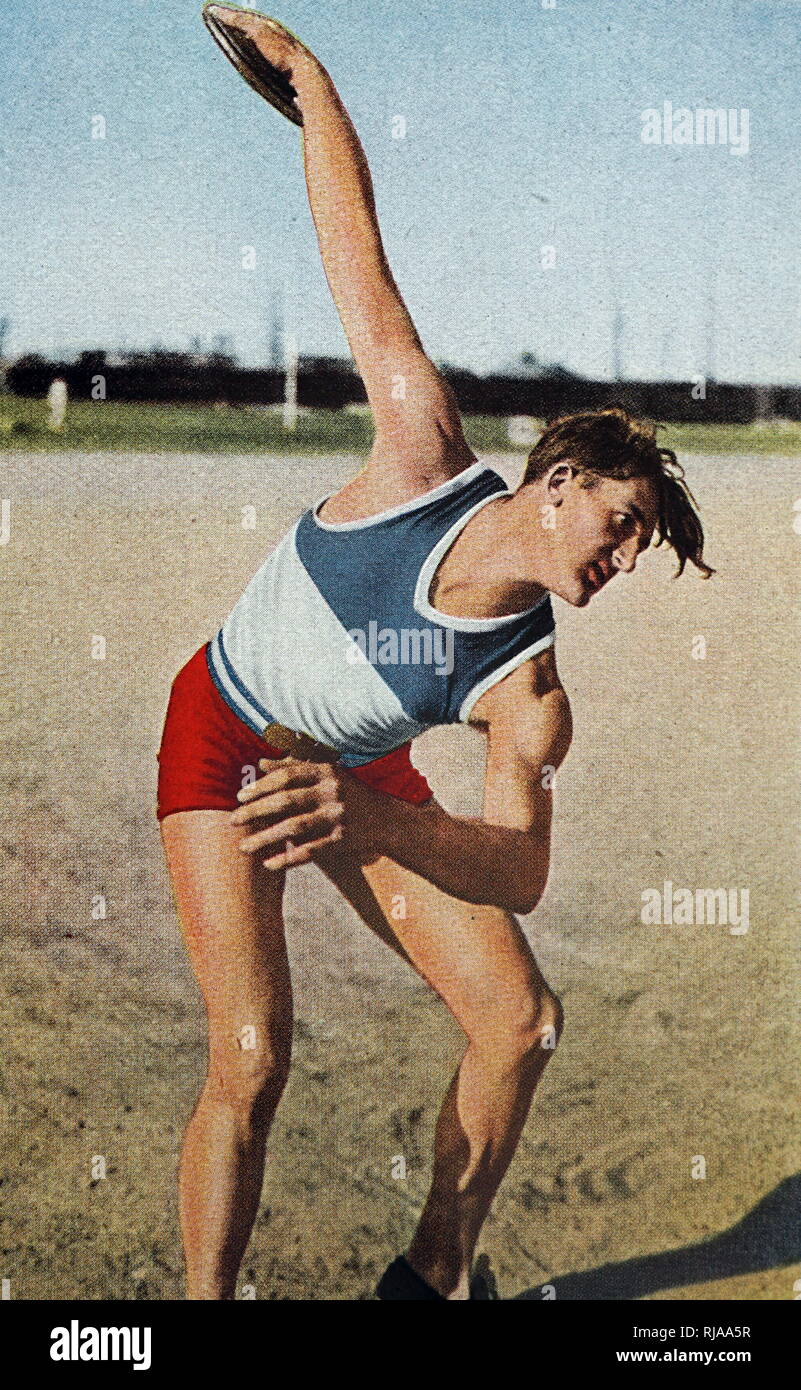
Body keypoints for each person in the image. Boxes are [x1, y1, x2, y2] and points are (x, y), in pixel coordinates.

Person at [156, 7, 714, 1301]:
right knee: (250, 1054)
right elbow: (355, 253)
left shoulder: (528, 688)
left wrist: (370, 811)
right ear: (559, 482)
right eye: (623, 527)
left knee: (521, 1021)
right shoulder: (419, 446)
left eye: (639, 550)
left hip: (353, 769)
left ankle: (425, 1279)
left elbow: (518, 867)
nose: (620, 562)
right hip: (227, 732)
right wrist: (311, 79)